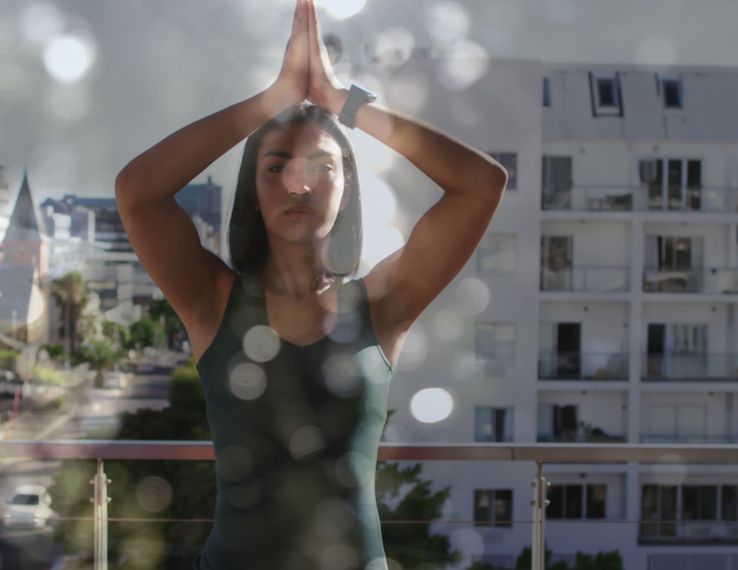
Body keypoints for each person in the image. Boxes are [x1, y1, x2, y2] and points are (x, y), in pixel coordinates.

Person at [114, 1, 507, 568]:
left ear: (349, 188)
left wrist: (343, 101)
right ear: (254, 187)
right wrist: (272, 99)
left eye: (321, 168)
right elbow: (137, 192)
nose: (298, 184)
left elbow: (481, 183)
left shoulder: (383, 304)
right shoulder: (213, 301)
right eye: (276, 167)